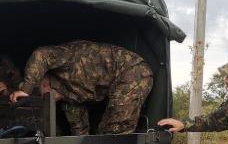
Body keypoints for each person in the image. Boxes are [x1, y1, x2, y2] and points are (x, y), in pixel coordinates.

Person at [9, 40, 153, 135]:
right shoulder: (68, 100)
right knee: (103, 134)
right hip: (117, 84)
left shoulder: (66, 61)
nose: (47, 101)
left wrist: (25, 90)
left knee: (115, 130)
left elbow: (41, 54)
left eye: (42, 94)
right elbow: (80, 132)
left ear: (44, 83)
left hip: (131, 70)